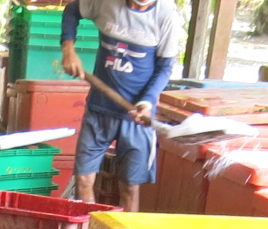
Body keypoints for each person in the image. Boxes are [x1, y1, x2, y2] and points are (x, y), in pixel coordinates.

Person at [60, 0, 181, 212]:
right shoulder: (106, 3)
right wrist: (68, 50)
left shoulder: (166, 16)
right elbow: (72, 10)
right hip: (99, 110)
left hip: (137, 118)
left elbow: (164, 69)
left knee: (129, 188)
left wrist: (147, 101)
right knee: (84, 180)